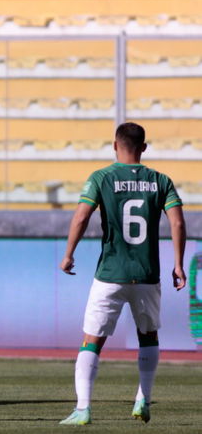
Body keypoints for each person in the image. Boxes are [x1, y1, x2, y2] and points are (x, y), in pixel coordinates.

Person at [59, 122, 186, 426]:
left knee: (92, 340)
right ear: (144, 148)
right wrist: (178, 264)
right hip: (147, 274)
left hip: (110, 273)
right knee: (148, 336)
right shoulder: (161, 181)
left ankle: (83, 409)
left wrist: (68, 254)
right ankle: (143, 399)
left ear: (115, 146)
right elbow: (178, 223)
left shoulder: (101, 178)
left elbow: (81, 217)